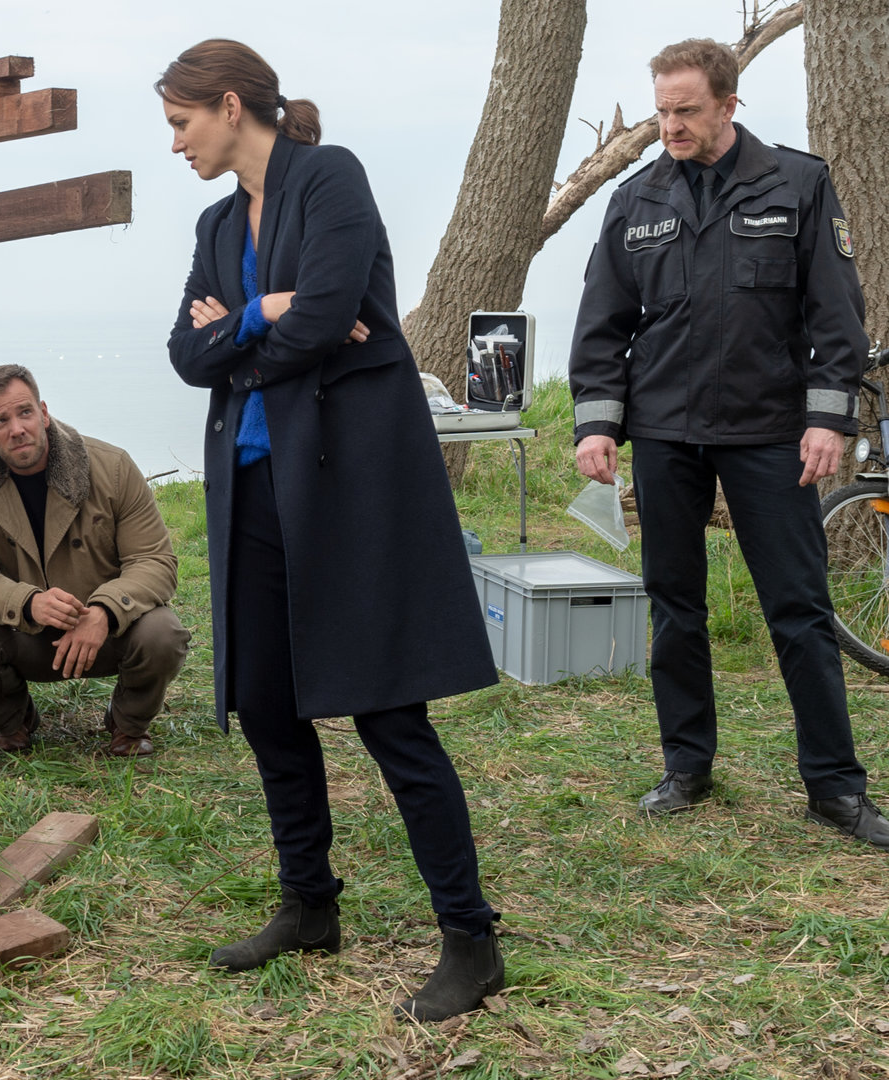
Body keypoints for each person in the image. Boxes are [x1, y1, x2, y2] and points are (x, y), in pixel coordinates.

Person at [160, 39, 504, 1020]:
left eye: (181, 122)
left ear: (230, 105)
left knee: (388, 714)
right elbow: (184, 352)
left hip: (347, 488)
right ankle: (308, 905)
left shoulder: (328, 177)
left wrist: (245, 335)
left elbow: (320, 321)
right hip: (251, 491)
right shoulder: (216, 220)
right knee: (266, 705)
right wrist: (260, 317)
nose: (175, 143)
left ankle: (470, 940)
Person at [569, 39, 884, 849]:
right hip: (664, 432)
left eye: (685, 111)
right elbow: (602, 322)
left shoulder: (796, 184)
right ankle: (686, 766)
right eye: (661, 112)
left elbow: (835, 315)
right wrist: (596, 425)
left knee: (799, 610)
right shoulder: (636, 199)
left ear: (727, 105)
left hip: (768, 431)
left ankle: (834, 787)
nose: (669, 126)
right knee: (674, 606)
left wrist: (826, 419)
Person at [0, 365, 189, 757]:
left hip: (107, 634)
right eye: (1, 421)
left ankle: (127, 725)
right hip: (23, 634)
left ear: (43, 413)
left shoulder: (114, 466)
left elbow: (154, 561)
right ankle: (15, 723)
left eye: (25, 412)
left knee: (163, 633)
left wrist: (104, 611)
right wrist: (27, 603)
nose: (17, 429)